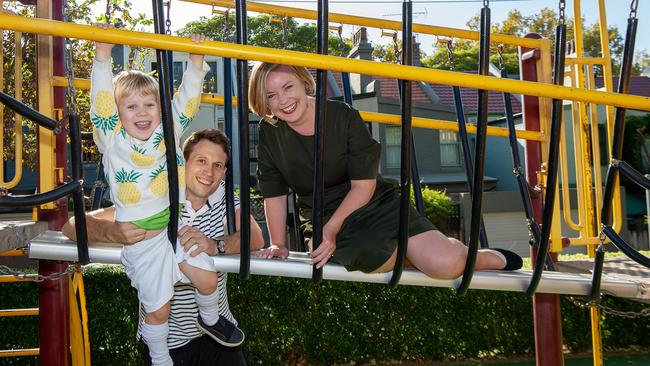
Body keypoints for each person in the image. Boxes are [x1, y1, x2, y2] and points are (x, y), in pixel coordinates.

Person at [249, 62, 522, 279]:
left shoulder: (342, 115)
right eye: (271, 95)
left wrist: (332, 231)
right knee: (370, 256)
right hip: (321, 213)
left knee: (446, 265)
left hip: (371, 202)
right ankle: (413, 254)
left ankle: (476, 255)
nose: (283, 100)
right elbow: (274, 192)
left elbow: (363, 186)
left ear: (303, 81)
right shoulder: (270, 132)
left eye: (288, 87)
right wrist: (278, 244)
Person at [89, 27, 232, 365]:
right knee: (159, 308)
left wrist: (196, 63)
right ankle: (159, 356)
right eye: (132, 107)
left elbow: (186, 103)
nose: (142, 113)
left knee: (208, 279)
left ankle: (210, 319)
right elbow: (100, 104)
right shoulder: (113, 139)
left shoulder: (166, 133)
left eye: (150, 104)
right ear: (119, 115)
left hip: (173, 229)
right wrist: (102, 56)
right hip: (144, 242)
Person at [63, 128, 264, 365]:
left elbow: (255, 237)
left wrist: (214, 245)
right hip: (167, 342)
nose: (209, 171)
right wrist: (114, 231)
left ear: (224, 172)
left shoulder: (225, 202)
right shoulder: (154, 202)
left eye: (217, 165)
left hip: (218, 336)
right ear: (182, 164)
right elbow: (72, 225)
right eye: (201, 161)